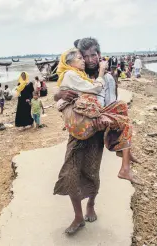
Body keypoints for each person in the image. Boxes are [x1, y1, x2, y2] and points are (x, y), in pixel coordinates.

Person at [53, 38, 139, 235]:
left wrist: (104, 123)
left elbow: (111, 104)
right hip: (77, 133)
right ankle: (77, 217)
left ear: (99, 56)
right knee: (70, 172)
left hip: (96, 133)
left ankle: (91, 203)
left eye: (94, 55)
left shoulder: (107, 79)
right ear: (80, 58)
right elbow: (57, 96)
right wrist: (60, 96)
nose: (90, 59)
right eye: (85, 56)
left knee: (91, 172)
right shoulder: (75, 75)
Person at [56, 48, 138, 182]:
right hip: (82, 123)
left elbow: (108, 98)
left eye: (92, 56)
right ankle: (124, 161)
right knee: (124, 121)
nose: (86, 60)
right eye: (82, 57)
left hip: (88, 119)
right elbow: (94, 88)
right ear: (69, 62)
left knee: (122, 107)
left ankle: (124, 151)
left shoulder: (79, 75)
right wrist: (101, 72)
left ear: (99, 56)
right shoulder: (71, 74)